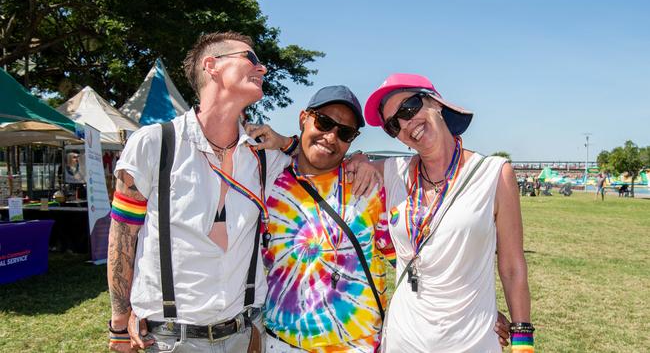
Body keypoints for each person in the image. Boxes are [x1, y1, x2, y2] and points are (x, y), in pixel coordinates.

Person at [246, 86, 512, 352]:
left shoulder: (368, 186)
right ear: (304, 118)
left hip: (360, 345)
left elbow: (419, 263)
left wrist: (477, 310)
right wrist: (287, 143)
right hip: (283, 343)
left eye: (345, 132)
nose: (331, 136)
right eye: (324, 122)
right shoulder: (267, 182)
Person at [107, 31, 291, 353]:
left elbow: (323, 160)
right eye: (251, 58)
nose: (262, 69)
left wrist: (290, 142)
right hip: (168, 340)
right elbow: (123, 235)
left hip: (244, 334)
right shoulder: (155, 144)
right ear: (212, 66)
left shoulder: (265, 154)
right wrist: (119, 323)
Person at [362, 73, 533, 352]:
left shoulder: (494, 174)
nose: (406, 124)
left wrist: (523, 339)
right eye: (394, 124)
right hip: (403, 340)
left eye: (409, 107)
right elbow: (335, 165)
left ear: (436, 103)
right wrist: (288, 144)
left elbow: (513, 267)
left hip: (472, 342)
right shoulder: (393, 171)